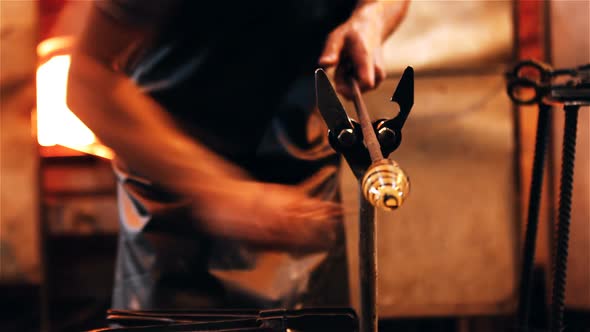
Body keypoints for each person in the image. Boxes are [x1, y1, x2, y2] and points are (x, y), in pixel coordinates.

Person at [67, 0, 409, 310]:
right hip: (175, 200)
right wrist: (218, 190)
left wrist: (371, 17)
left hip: (301, 190)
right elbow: (87, 80)